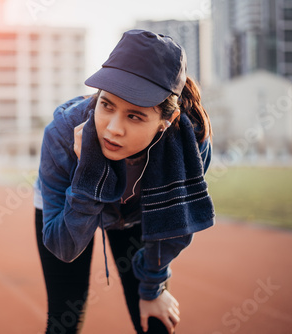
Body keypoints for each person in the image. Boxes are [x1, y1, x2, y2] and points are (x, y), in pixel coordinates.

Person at [33, 29, 215, 334]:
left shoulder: (190, 143)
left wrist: (153, 287)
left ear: (165, 122)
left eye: (135, 116)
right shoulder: (63, 134)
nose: (112, 130)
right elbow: (63, 247)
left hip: (135, 217)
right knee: (64, 318)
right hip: (71, 206)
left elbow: (173, 227)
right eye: (107, 105)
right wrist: (88, 174)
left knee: (156, 323)